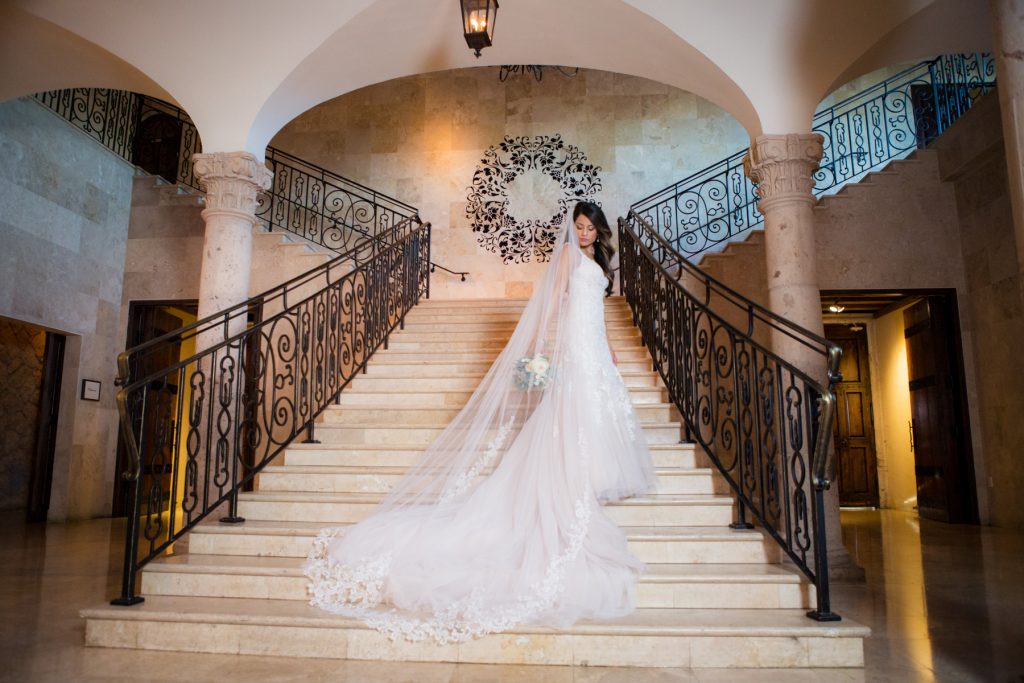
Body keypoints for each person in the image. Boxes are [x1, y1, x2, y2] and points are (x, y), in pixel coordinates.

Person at [304, 201, 657, 643]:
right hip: (571, 345)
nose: (584, 233)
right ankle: (571, 481)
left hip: (594, 345)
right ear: (572, 229)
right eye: (579, 227)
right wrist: (538, 348)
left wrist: (607, 351)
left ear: (599, 230)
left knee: (597, 409)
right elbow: (550, 304)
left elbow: (595, 313)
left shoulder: (596, 259)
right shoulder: (568, 256)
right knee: (573, 410)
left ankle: (587, 475)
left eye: (590, 228)